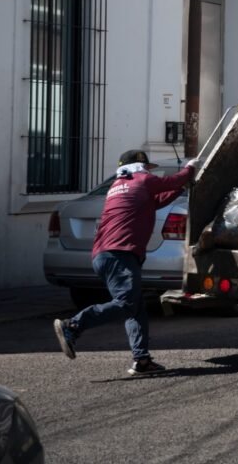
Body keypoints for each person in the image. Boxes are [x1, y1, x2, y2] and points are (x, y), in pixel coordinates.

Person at [53, 149, 198, 376]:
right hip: (119, 254)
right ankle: (73, 325)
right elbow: (169, 181)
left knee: (135, 307)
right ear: (139, 166)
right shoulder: (142, 179)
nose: (148, 172)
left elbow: (157, 200)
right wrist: (190, 170)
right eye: (147, 168)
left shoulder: (118, 187)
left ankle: (141, 360)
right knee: (127, 304)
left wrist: (181, 188)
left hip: (105, 255)